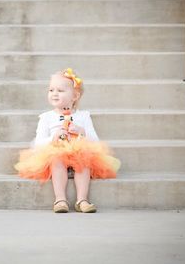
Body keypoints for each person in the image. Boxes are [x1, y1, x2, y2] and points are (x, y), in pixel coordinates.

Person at [14, 68, 121, 213]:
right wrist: (53, 138)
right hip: (56, 151)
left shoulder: (83, 116)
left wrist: (82, 133)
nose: (54, 93)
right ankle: (60, 199)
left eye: (60, 90)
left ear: (75, 96)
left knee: (84, 158)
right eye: (51, 90)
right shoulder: (46, 117)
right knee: (56, 158)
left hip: (78, 152)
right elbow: (38, 143)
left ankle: (82, 199)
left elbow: (95, 141)